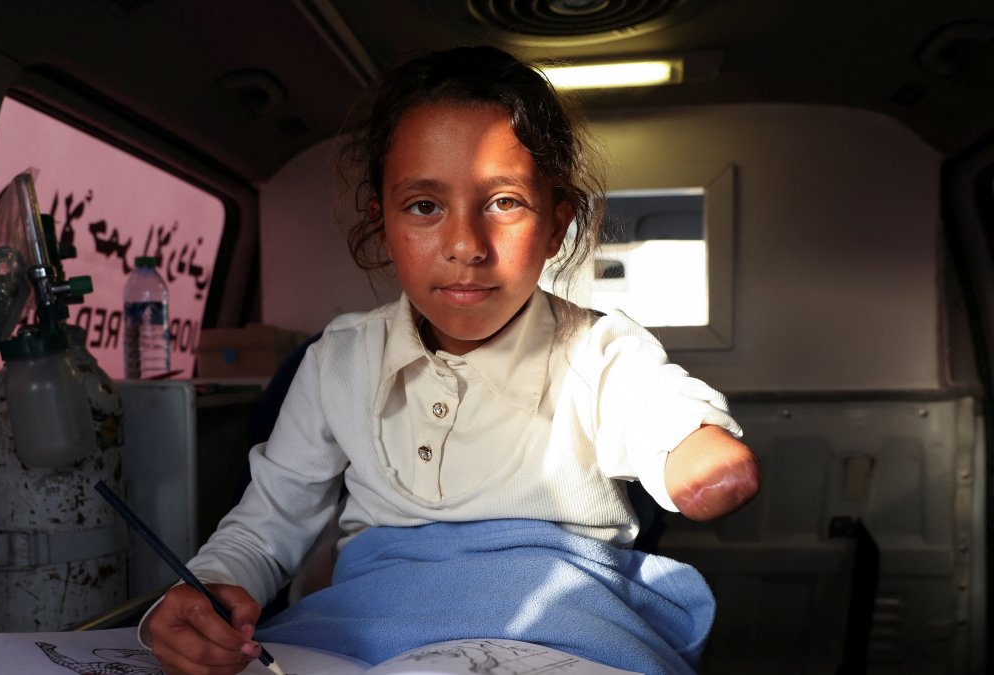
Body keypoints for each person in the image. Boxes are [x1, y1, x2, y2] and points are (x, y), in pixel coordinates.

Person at [142, 45, 760, 675]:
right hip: (362, 624)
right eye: (424, 206)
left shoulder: (601, 352)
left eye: (505, 202)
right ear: (381, 223)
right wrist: (209, 587)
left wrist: (691, 448)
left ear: (556, 224)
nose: (466, 245)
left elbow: (657, 411)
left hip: (566, 622)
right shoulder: (339, 359)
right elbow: (268, 522)